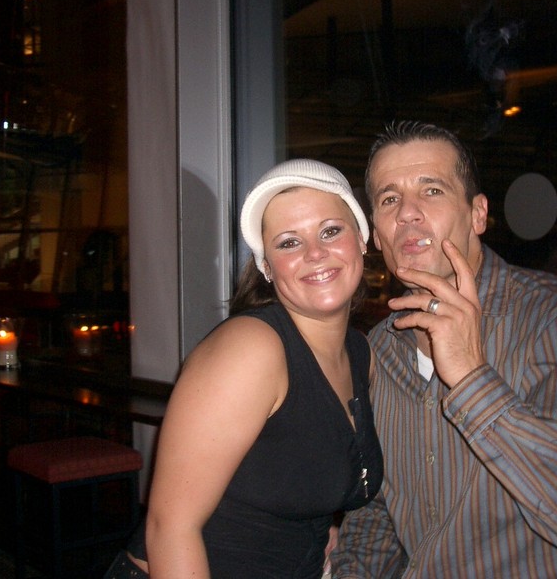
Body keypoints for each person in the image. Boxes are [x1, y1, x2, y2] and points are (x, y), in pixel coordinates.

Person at [330, 121, 557, 578]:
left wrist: (472, 379)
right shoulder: (381, 349)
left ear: (477, 215)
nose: (408, 212)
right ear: (376, 233)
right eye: (389, 199)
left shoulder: (554, 315)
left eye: (431, 191)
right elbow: (380, 515)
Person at [104, 158, 383, 579]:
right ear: (267, 267)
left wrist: (320, 531)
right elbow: (170, 528)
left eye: (330, 231)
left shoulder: (361, 354)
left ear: (361, 239)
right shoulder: (251, 349)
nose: (314, 253)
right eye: (289, 242)